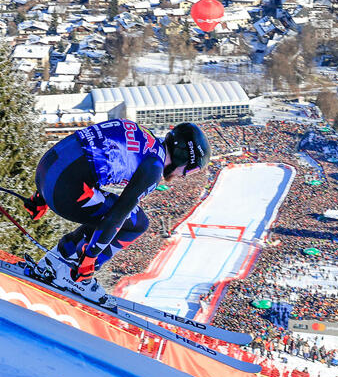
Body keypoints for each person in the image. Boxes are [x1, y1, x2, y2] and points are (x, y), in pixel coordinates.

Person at [24, 119, 211, 305]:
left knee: (104, 207)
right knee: (136, 224)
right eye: (191, 169)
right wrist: (90, 258)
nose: (184, 175)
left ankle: (57, 259)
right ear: (182, 157)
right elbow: (117, 216)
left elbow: (81, 144)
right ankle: (77, 276)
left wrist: (41, 194)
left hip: (46, 172)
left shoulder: (145, 136)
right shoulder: (154, 166)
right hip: (64, 190)